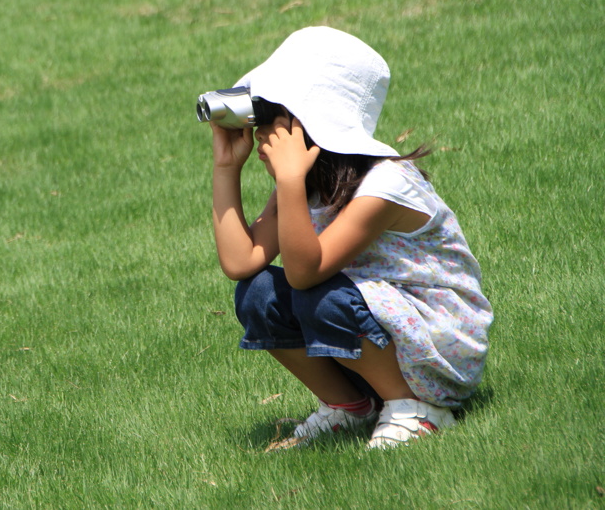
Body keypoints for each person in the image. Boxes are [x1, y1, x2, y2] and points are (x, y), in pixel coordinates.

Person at [208, 26, 492, 449]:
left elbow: (305, 274)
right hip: (378, 325)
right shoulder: (305, 185)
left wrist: (288, 179)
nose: (262, 132)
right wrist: (227, 167)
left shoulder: (386, 185)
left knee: (318, 294)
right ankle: (349, 406)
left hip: (438, 344)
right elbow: (241, 262)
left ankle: (417, 407)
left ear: (315, 119)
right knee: (258, 293)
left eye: (271, 115)